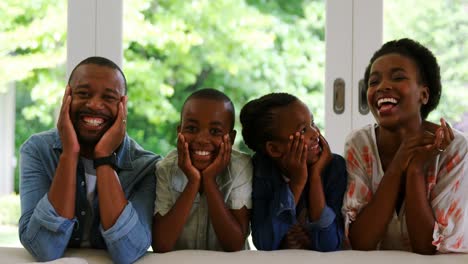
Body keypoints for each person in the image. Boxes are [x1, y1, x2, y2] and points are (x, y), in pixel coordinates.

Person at [19, 56, 161, 263]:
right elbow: (43, 248)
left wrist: (103, 157)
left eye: (109, 97)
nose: (94, 104)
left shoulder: (146, 167)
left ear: (123, 104)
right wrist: (69, 154)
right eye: (83, 94)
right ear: (67, 96)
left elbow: (128, 251)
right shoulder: (37, 150)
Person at [342, 38, 468, 254]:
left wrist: (415, 170)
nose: (382, 87)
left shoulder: (454, 148)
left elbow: (428, 248)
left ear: (424, 94)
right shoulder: (359, 143)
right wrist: (399, 164)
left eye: (398, 77)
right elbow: (361, 242)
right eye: (374, 82)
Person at [240, 92, 347, 251]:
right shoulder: (262, 170)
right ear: (274, 149)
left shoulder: (333, 166)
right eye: (303, 130)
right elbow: (265, 243)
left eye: (312, 122)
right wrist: (297, 183)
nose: (315, 133)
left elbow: (330, 245)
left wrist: (316, 178)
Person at [152, 88, 252, 252]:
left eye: (215, 131)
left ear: (231, 138)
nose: (202, 139)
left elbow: (234, 245)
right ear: (179, 132)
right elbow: (161, 244)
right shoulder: (166, 169)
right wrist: (193, 181)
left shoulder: (240, 167)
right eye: (191, 129)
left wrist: (210, 180)